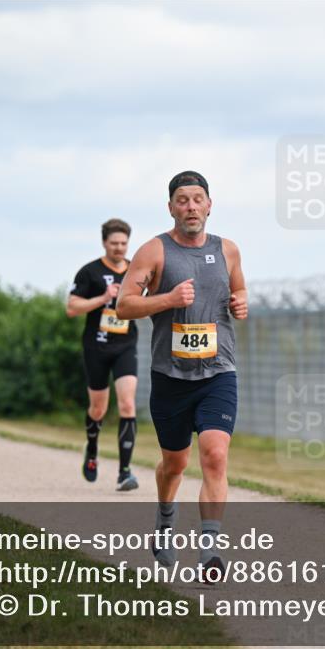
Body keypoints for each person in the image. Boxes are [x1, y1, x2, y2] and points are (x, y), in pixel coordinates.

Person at [117, 170, 247, 579]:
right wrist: (168, 299)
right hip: (171, 377)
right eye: (182, 200)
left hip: (218, 371)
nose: (191, 207)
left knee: (215, 454)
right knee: (174, 464)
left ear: (210, 204)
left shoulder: (228, 250)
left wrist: (241, 304)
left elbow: (238, 290)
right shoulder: (154, 252)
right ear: (171, 206)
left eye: (197, 199)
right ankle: (165, 521)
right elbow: (123, 306)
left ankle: (209, 551)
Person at [67, 218, 141, 491]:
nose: (119, 248)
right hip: (96, 346)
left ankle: (125, 472)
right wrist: (103, 297)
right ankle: (93, 448)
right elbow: (72, 308)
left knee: (127, 404)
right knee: (98, 408)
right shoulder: (90, 272)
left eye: (123, 243)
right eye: (114, 243)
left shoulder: (136, 269)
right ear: (104, 243)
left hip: (125, 345)